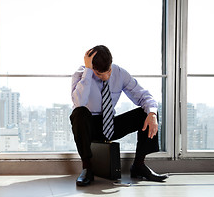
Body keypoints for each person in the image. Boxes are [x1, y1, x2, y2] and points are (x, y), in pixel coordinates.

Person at [70, 45, 168, 186]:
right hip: (89, 126)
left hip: (110, 123)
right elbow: (79, 102)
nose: (106, 76)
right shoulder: (81, 74)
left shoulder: (120, 73)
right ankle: (87, 168)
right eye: (99, 74)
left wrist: (152, 113)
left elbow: (144, 96)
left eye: (108, 71)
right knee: (79, 113)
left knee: (147, 112)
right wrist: (88, 72)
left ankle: (139, 165)